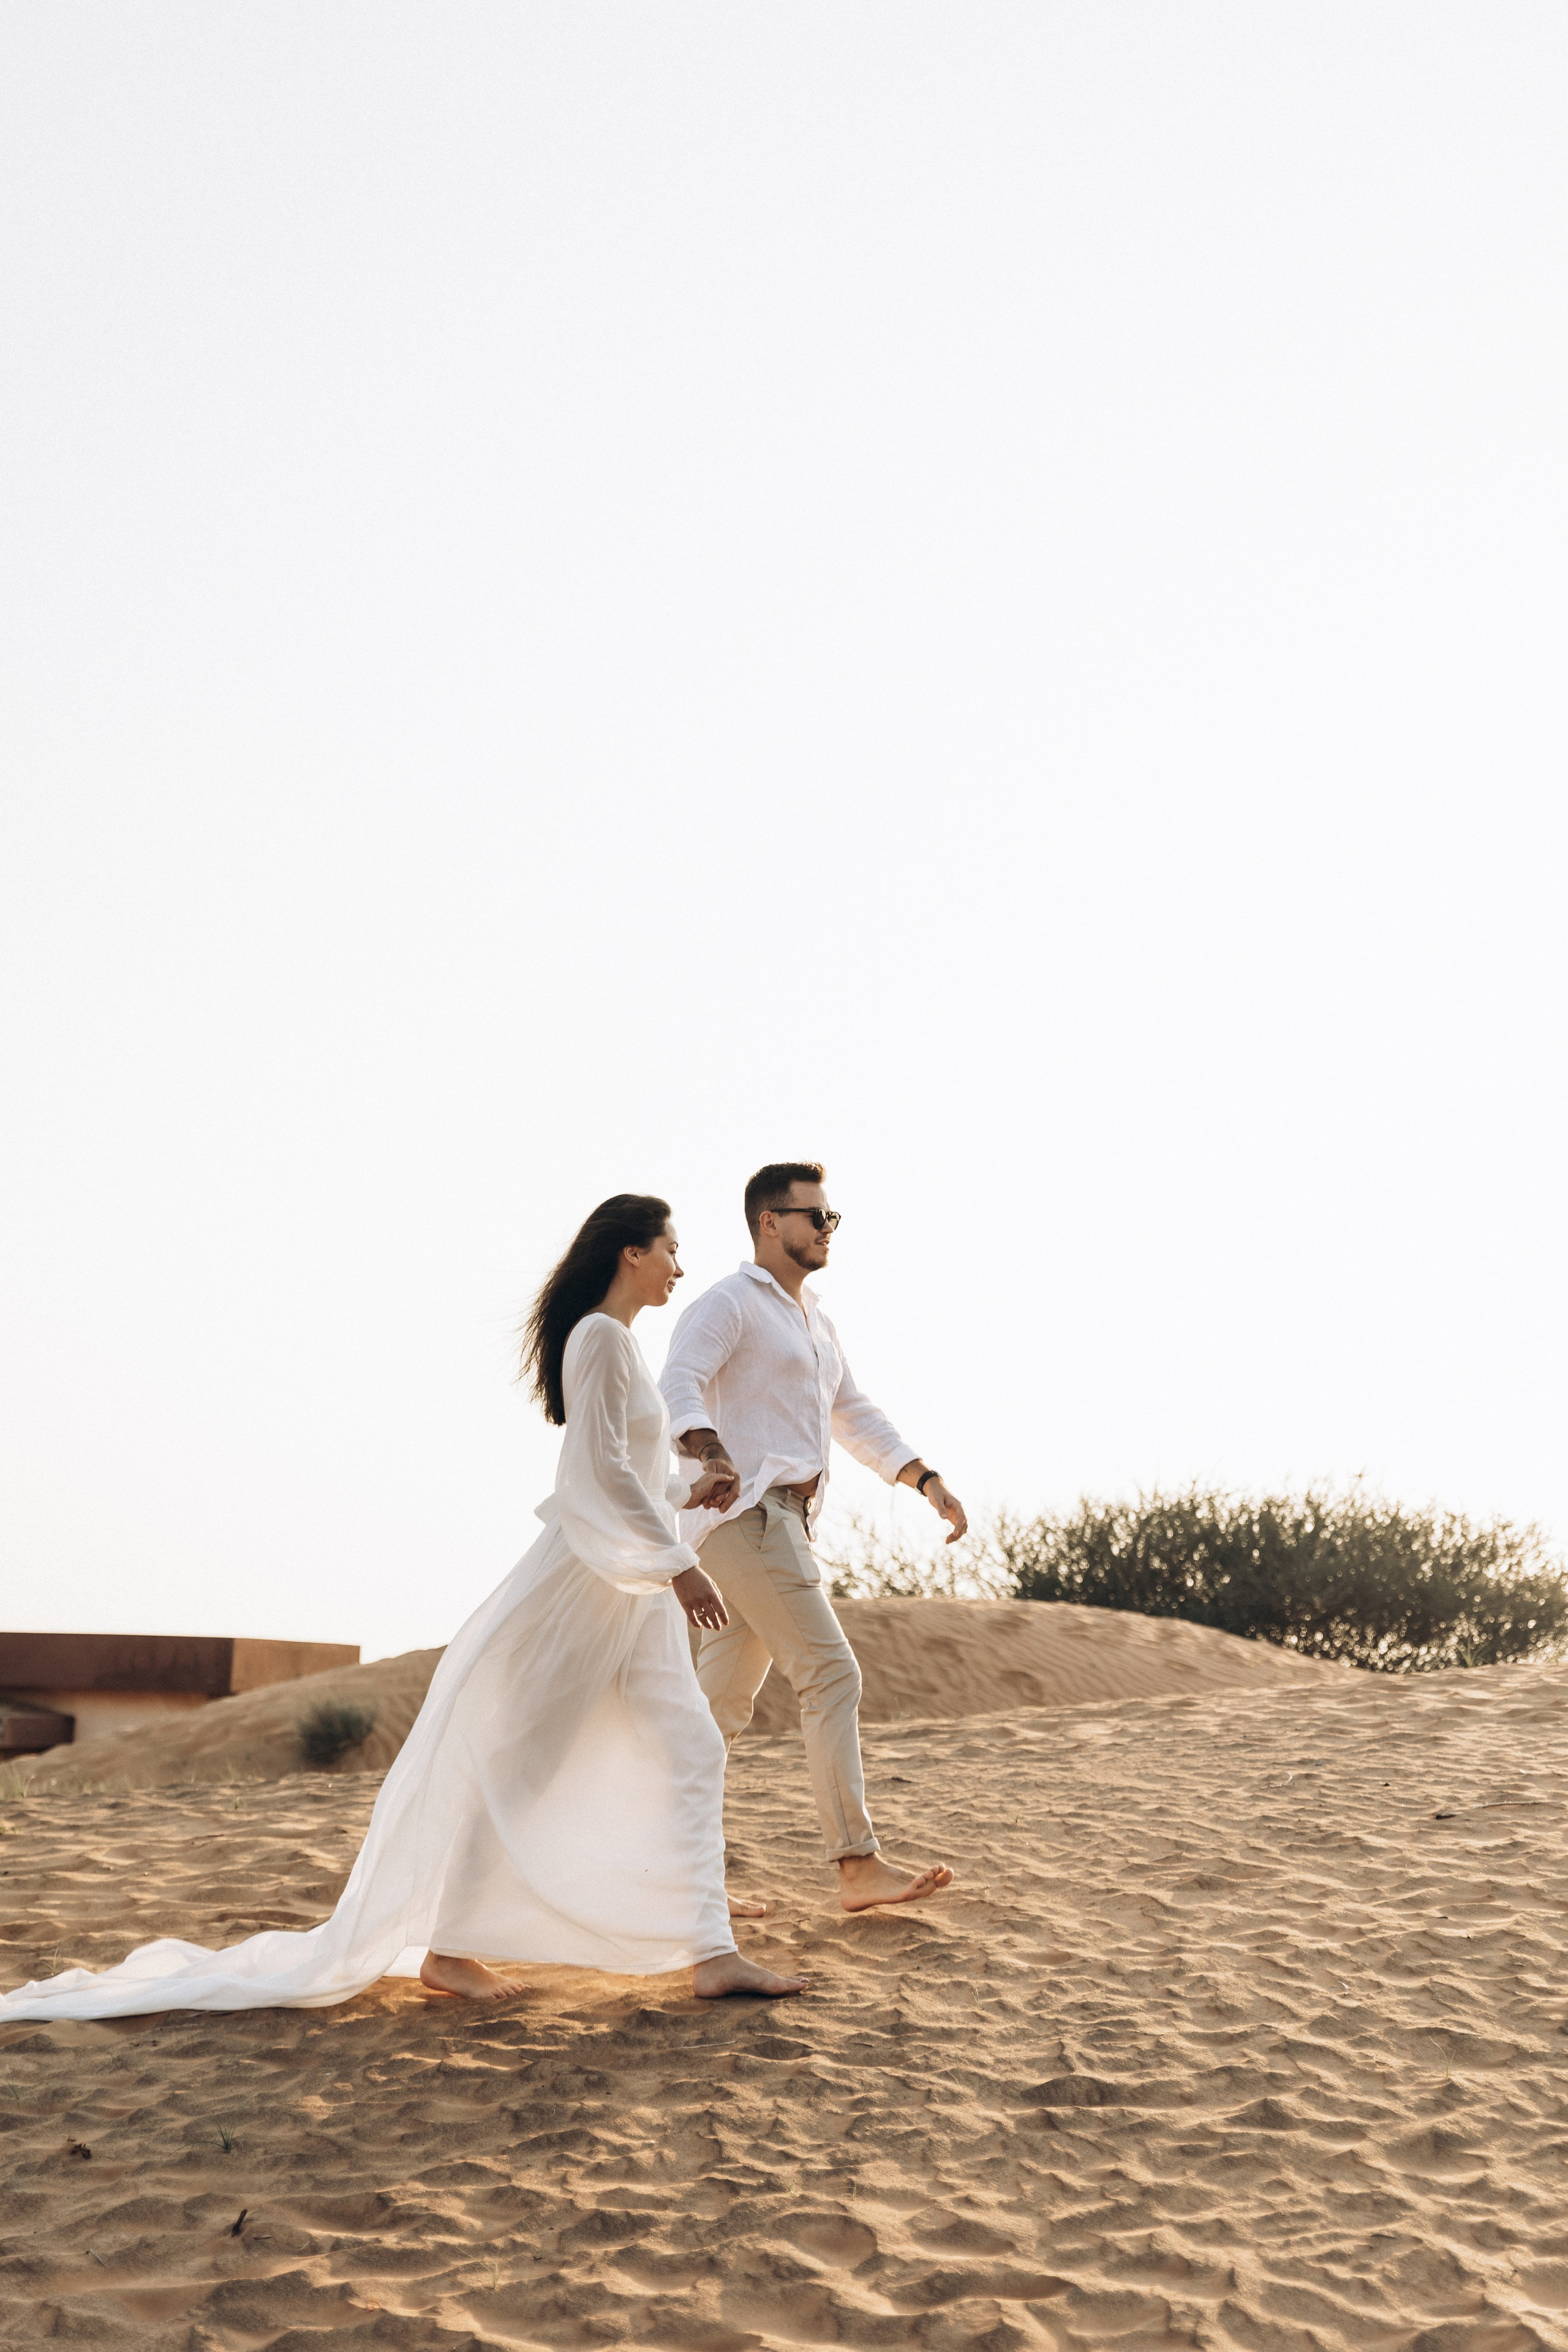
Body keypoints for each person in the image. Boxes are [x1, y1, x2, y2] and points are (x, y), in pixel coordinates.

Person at [0, 1196, 807, 2022]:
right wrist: (680, 1567)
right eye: (671, 1249)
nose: (679, 1265)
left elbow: (627, 1476)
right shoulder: (600, 1338)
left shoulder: (620, 1345)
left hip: (626, 1592)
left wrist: (687, 1492)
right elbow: (591, 1478)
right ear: (631, 1254)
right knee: (531, 1760)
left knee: (690, 1744)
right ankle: (455, 1950)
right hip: (586, 1589)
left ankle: (710, 1950)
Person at [660, 1161, 966, 1913]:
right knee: (832, 1675)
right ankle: (856, 1864)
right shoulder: (729, 1303)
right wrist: (709, 1452)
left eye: (832, 1218)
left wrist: (924, 1479)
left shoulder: (813, 1321)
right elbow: (679, 1381)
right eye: (814, 1217)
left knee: (718, 1707)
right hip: (748, 1518)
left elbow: (854, 1413)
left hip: (785, 1523)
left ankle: (671, 1874)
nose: (828, 1229)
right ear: (770, 1222)